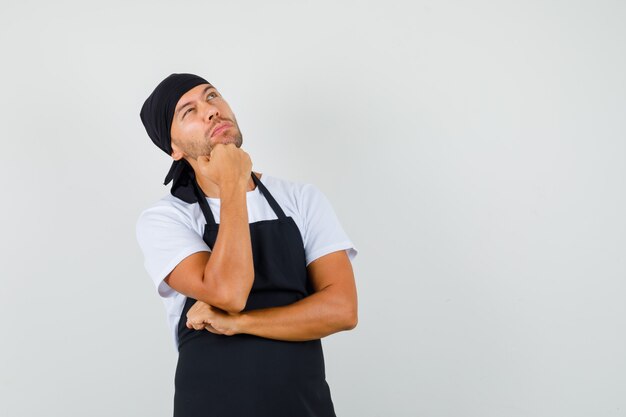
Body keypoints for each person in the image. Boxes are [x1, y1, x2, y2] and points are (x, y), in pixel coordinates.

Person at [135, 73, 358, 417]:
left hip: (304, 406)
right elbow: (229, 292)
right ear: (174, 149)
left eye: (212, 97)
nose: (210, 111)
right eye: (188, 111)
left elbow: (342, 310)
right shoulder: (167, 218)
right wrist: (234, 182)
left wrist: (240, 323)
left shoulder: (301, 199)